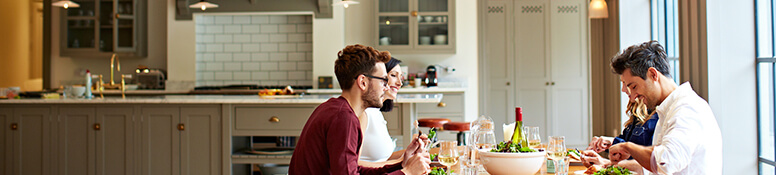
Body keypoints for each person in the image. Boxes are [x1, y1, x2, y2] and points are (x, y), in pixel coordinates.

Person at [289, 44, 431, 175]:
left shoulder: (334, 108)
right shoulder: (344, 118)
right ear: (363, 82)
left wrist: (402, 164)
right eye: (383, 80)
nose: (386, 87)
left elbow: (353, 170)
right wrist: (407, 173)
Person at [606, 40, 722, 174]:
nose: (632, 96)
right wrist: (613, 165)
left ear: (653, 74)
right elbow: (657, 168)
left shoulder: (686, 109)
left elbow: (667, 161)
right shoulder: (668, 109)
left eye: (634, 86)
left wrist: (629, 147)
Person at [581, 97, 659, 174]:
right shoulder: (637, 114)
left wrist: (606, 163)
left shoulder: (657, 117)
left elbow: (649, 163)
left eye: (628, 85)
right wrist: (609, 146)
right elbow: (627, 150)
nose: (623, 89)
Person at [359, 57, 405, 166]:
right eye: (393, 75)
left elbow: (384, 158)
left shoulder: (376, 111)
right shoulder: (364, 114)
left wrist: (412, 151)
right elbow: (352, 164)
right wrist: (401, 162)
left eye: (401, 77)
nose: (399, 83)